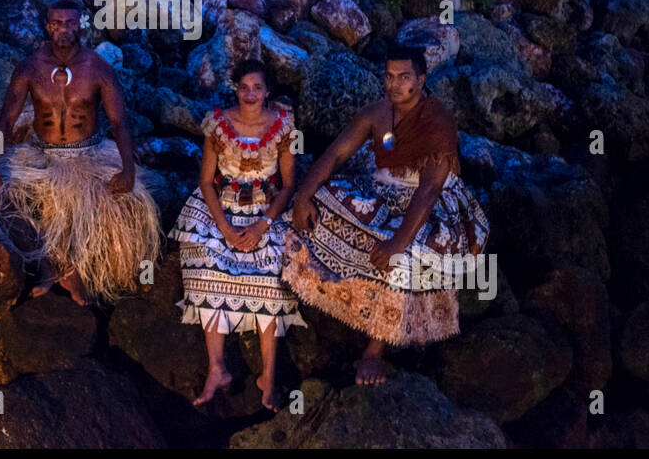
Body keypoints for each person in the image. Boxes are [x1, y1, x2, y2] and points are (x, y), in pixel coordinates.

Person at [283, 44, 490, 386]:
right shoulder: (376, 112)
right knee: (320, 198)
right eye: (389, 76)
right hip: (382, 187)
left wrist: (396, 242)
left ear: (421, 80)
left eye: (404, 77)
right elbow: (335, 155)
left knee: (406, 255)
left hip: (433, 203)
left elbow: (429, 191)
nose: (394, 84)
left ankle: (374, 351)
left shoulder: (438, 120)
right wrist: (303, 195)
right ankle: (319, 288)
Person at [0, 0, 162, 305]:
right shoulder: (30, 67)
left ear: (80, 25)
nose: (64, 29)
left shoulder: (98, 68)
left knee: (134, 204)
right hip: (40, 154)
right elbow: (5, 119)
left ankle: (75, 270)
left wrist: (127, 169)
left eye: (70, 23)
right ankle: (49, 265)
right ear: (48, 27)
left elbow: (119, 121)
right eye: (57, 23)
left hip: (88, 155)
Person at [168, 60, 306, 411]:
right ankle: (217, 369)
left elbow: (289, 184)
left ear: (267, 91)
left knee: (272, 283)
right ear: (236, 88)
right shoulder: (217, 123)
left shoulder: (285, 127)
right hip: (221, 205)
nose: (250, 94)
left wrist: (263, 224)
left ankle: (268, 376)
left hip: (266, 209)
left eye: (257, 87)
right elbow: (205, 181)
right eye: (244, 87)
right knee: (206, 271)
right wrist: (226, 229)